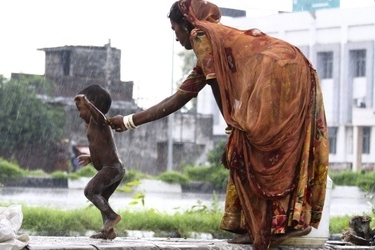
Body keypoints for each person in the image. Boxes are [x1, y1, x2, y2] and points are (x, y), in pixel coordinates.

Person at [108, 0, 329, 249]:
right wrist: (127, 122)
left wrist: (233, 123)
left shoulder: (200, 34)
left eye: (174, 30)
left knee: (245, 149)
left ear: (186, 22)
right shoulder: (216, 45)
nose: (177, 38)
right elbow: (178, 98)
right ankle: (264, 227)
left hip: (279, 71)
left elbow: (217, 86)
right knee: (262, 151)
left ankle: (272, 229)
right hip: (292, 65)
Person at [74, 85, 125, 240]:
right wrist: (91, 158)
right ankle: (107, 231)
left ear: (92, 106)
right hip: (113, 168)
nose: (79, 114)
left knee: (90, 191)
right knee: (101, 197)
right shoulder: (92, 126)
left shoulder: (100, 122)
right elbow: (99, 148)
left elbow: (100, 117)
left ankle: (112, 216)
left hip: (113, 169)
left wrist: (87, 103)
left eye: (80, 109)